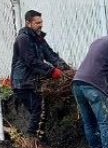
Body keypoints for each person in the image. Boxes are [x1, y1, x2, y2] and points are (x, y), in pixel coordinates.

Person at [10, 9, 70, 138]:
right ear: (28, 23)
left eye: (41, 22)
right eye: (37, 23)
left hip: (32, 81)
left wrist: (65, 69)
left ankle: (38, 139)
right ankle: (30, 140)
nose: (40, 25)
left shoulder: (38, 38)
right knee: (37, 111)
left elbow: (51, 55)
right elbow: (31, 61)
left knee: (37, 112)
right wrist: (52, 71)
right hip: (22, 82)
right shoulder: (23, 39)